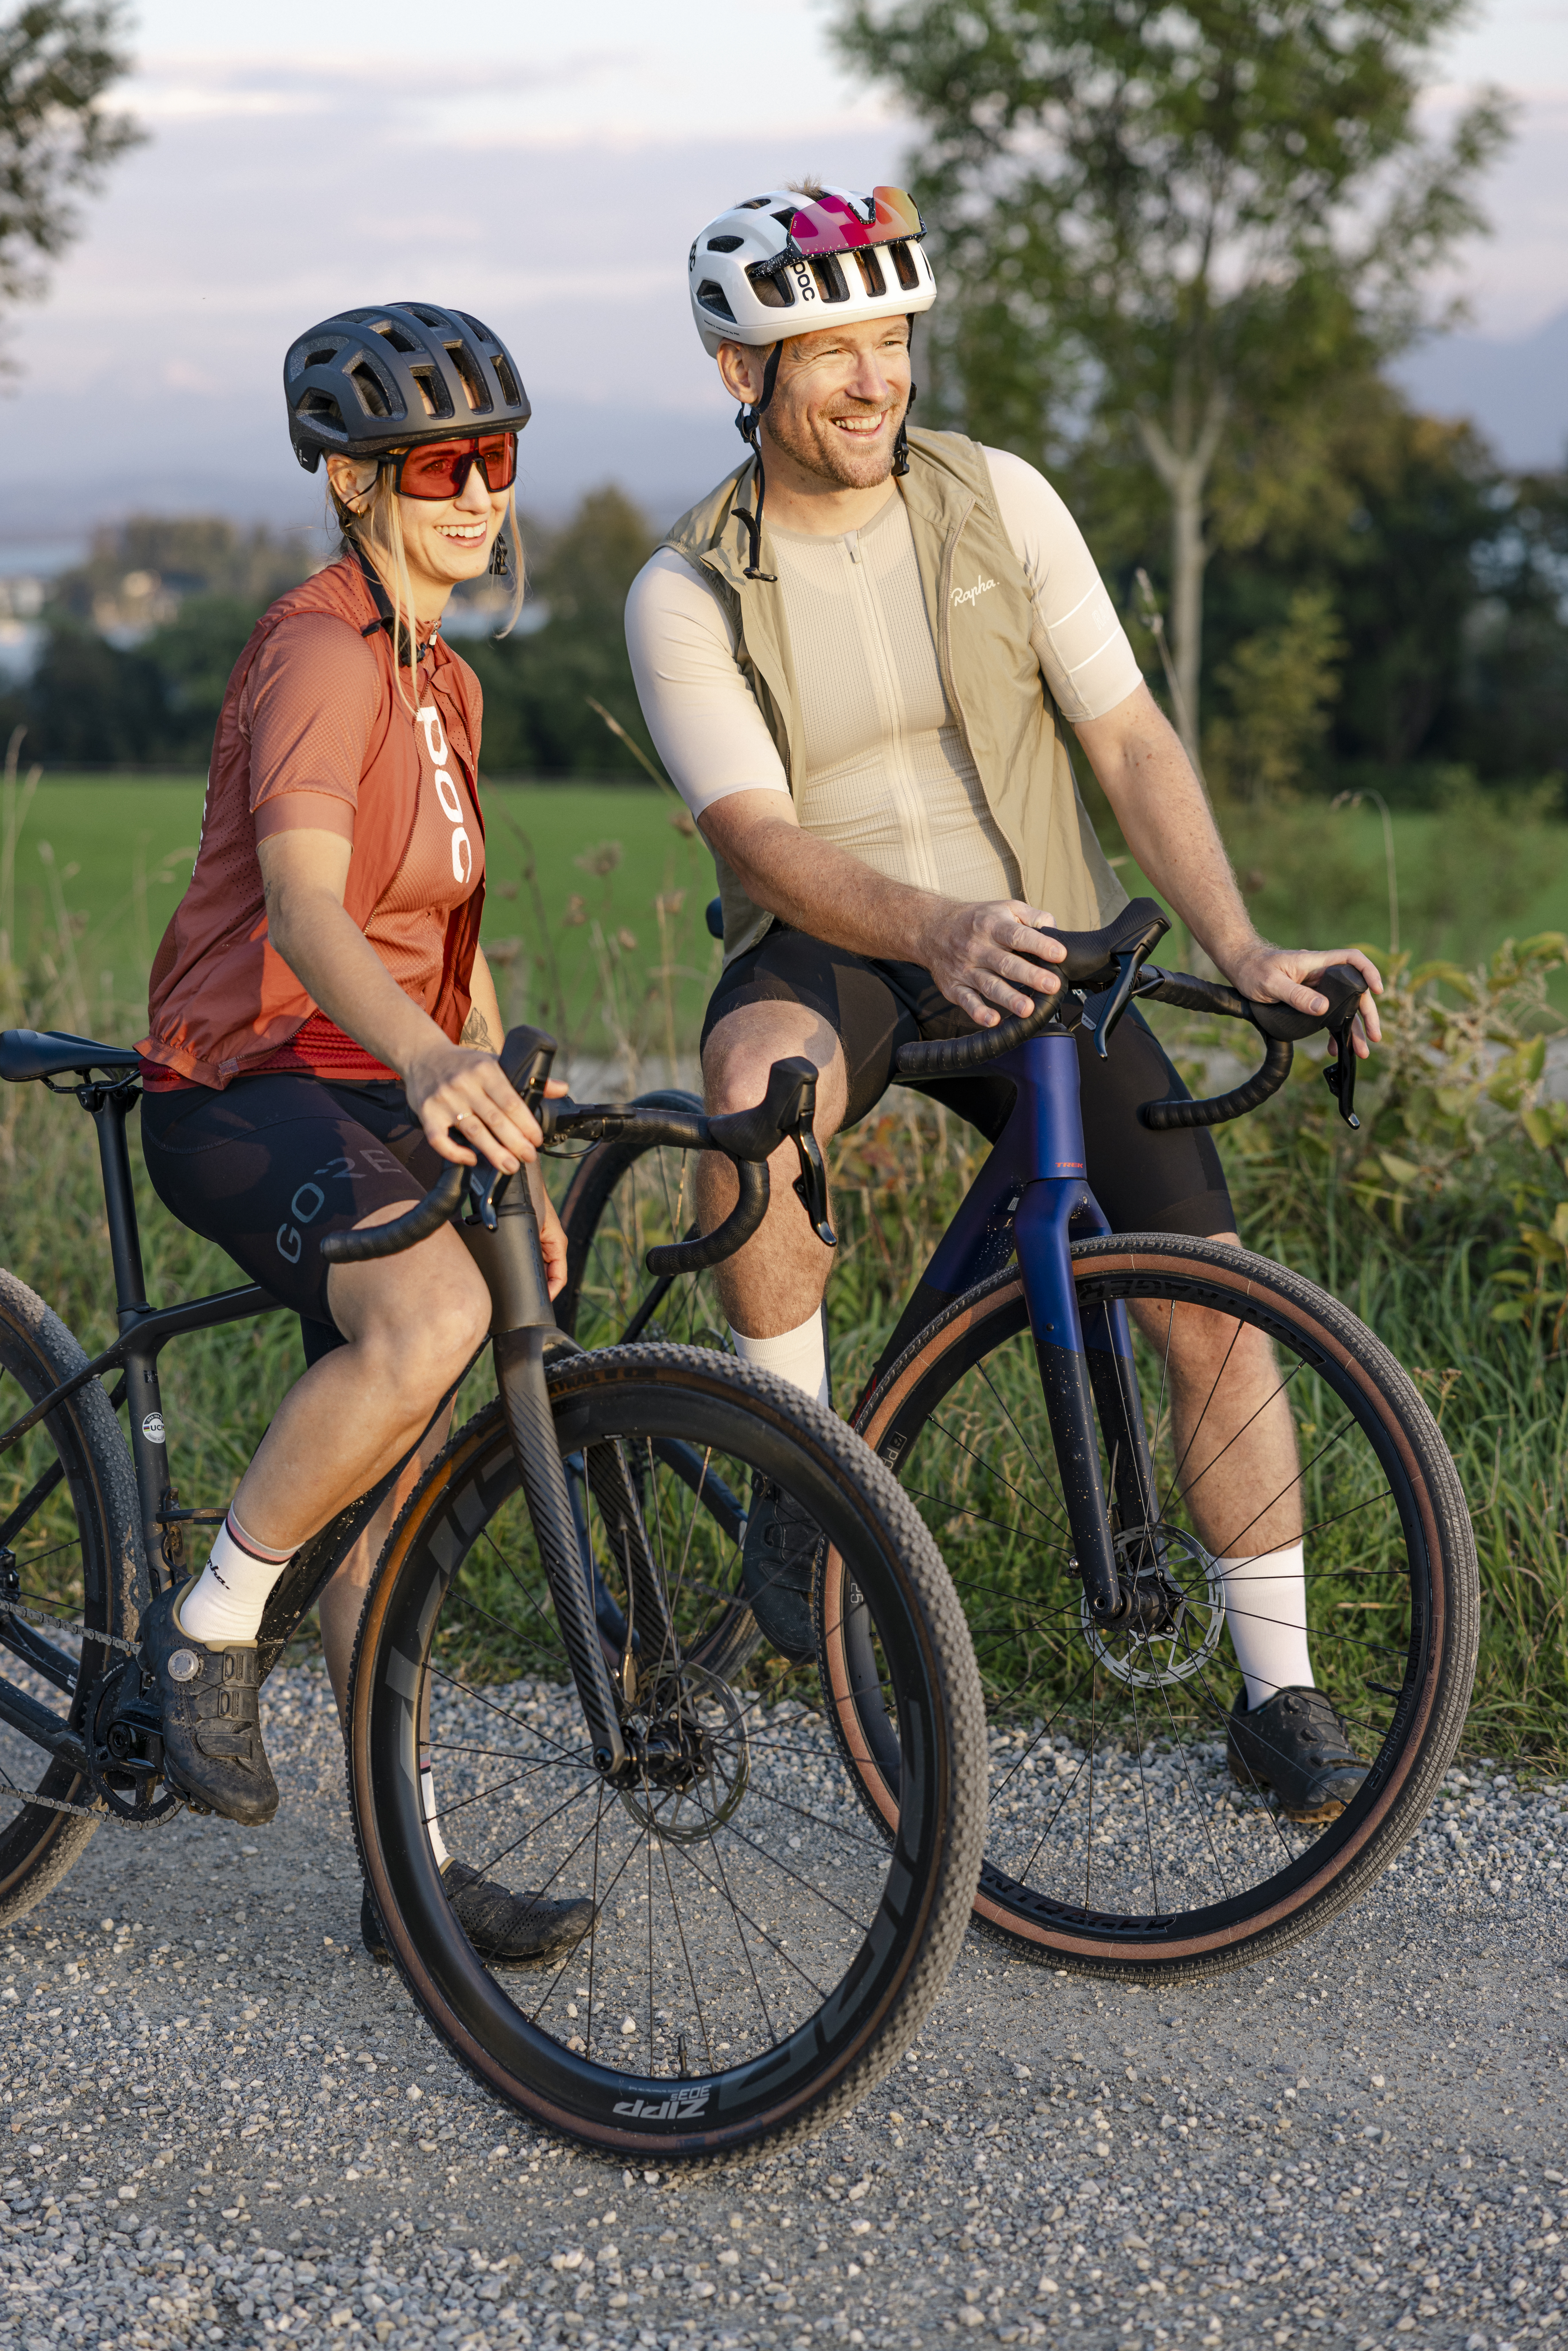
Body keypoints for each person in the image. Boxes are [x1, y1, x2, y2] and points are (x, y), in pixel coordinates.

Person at [625, 183, 1384, 1821]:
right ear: (739, 372)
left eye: (892, 341)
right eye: (830, 352)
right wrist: (933, 925)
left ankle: (1279, 1691)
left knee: (1207, 1294)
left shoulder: (1002, 498)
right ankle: (802, 1486)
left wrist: (1243, 947)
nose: (875, 381)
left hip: (1038, 933)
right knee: (752, 1095)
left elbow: (1126, 738)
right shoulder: (686, 587)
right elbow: (755, 837)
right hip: (839, 939)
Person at [136, 300, 591, 1962]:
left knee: (391, 1458)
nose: (481, 495)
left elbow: (443, 957)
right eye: (440, 467)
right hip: (243, 1082)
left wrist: (497, 1125)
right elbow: (309, 911)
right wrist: (425, 1064)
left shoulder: (444, 679)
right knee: (428, 1318)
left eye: (497, 460)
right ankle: (209, 1629)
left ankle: (410, 1875)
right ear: (353, 482)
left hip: (369, 1082)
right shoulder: (325, 654)